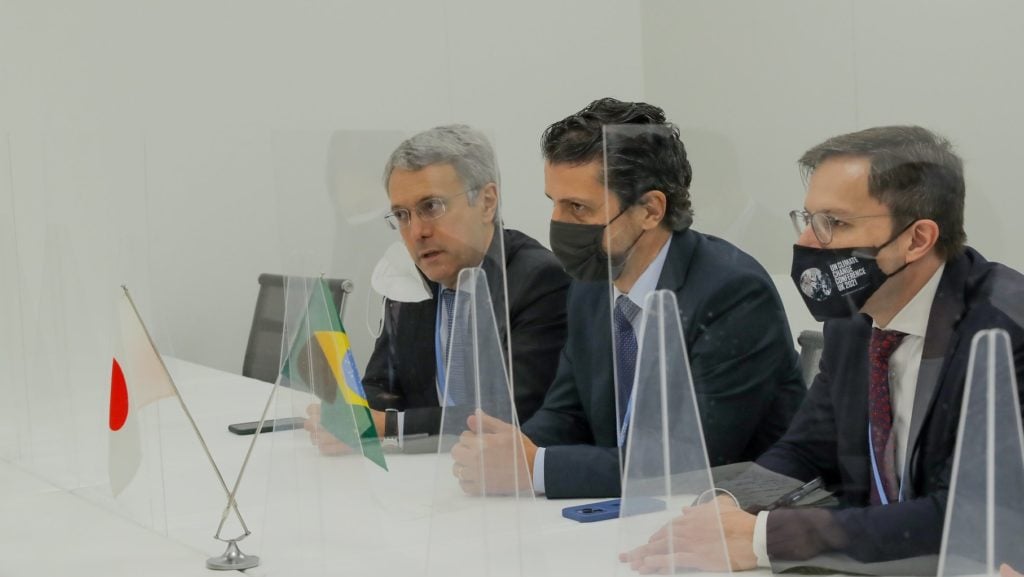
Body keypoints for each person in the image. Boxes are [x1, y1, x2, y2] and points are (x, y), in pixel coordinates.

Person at [621, 125, 1024, 573]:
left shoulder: (1005, 332)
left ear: (917, 239)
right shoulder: (855, 319)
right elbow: (807, 447)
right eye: (808, 219)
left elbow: (973, 515)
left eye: (835, 223)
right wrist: (727, 505)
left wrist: (763, 539)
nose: (808, 243)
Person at [449, 98, 806, 497]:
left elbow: (693, 457)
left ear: (650, 210)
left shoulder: (734, 294)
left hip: (725, 517)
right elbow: (567, 412)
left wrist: (536, 468)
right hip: (625, 515)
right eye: (554, 203)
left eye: (578, 208)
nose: (558, 224)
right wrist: (510, 449)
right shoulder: (590, 286)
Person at [305, 125, 570, 452]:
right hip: (424, 473)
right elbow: (380, 383)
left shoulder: (539, 280)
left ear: (487, 202)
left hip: (505, 480)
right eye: (402, 215)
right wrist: (350, 415)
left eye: (431, 207)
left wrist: (386, 426)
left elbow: (512, 412)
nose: (416, 232)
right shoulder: (408, 278)